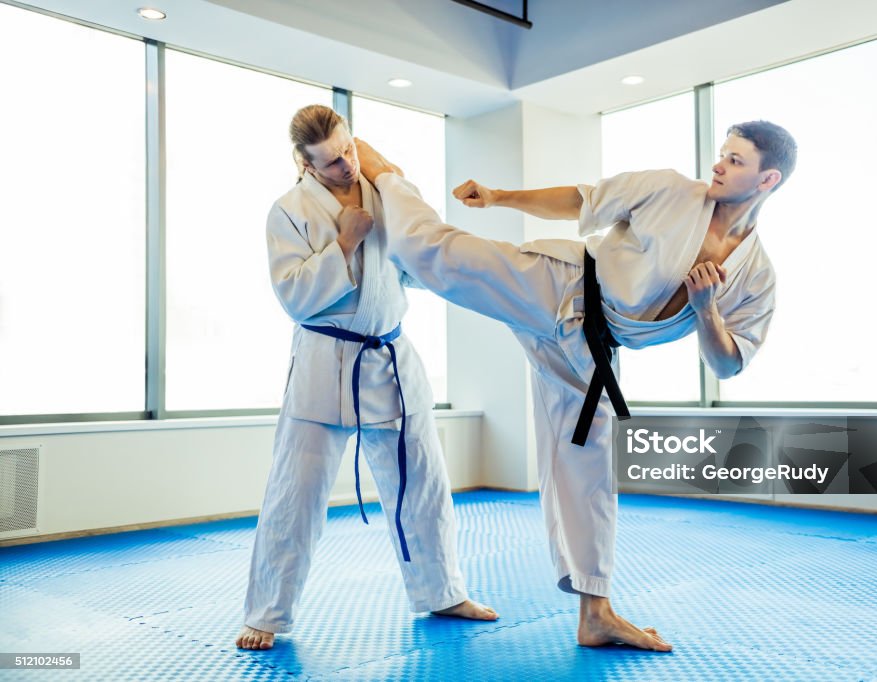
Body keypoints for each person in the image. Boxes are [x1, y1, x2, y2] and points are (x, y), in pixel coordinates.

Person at [353, 120, 796, 652]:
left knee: (590, 457)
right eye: (722, 154)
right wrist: (498, 196)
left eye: (736, 160)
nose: (719, 165)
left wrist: (706, 312)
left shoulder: (756, 276)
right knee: (437, 255)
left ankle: (596, 614)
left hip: (591, 349)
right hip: (557, 285)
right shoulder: (673, 190)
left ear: (767, 179)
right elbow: (582, 201)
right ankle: (390, 181)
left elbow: (729, 365)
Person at [236, 104, 497, 651]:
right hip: (323, 363)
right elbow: (294, 296)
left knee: (423, 483)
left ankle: (443, 592)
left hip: (390, 357)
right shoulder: (287, 212)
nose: (346, 167)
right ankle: (266, 611)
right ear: (303, 163)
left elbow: (418, 266)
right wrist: (346, 243)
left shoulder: (383, 197)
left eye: (349, 151)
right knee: (295, 494)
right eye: (330, 162)